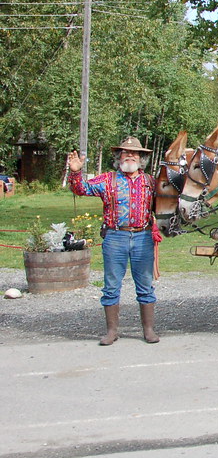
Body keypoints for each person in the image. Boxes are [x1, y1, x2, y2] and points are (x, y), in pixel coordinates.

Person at [67, 137, 160, 345]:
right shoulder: (107, 180)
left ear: (141, 158)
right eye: (125, 152)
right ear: (118, 157)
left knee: (145, 285)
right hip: (115, 237)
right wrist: (75, 172)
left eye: (134, 153)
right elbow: (81, 189)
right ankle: (111, 332)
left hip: (143, 237)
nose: (130, 156)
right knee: (111, 286)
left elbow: (169, 199)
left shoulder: (151, 182)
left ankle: (149, 330)